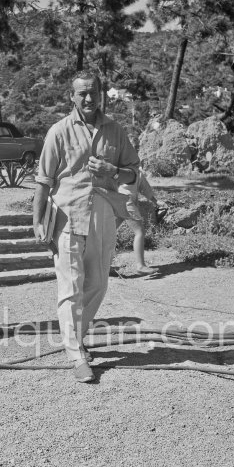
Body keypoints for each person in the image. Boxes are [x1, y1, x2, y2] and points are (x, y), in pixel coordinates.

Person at [33, 71, 139, 382]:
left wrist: (113, 169)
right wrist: (37, 220)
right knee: (70, 285)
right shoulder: (59, 131)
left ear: (102, 93)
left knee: (98, 283)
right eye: (82, 94)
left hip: (103, 215)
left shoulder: (115, 131)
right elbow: (43, 180)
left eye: (93, 92)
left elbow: (134, 173)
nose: (88, 99)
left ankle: (75, 337)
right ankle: (76, 354)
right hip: (67, 215)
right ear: (72, 97)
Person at [116, 169, 159, 275]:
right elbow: (145, 188)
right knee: (139, 232)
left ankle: (105, 266)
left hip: (115, 202)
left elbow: (144, 187)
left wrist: (155, 201)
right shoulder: (133, 170)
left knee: (109, 233)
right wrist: (155, 201)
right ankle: (140, 265)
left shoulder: (116, 167)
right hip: (127, 202)